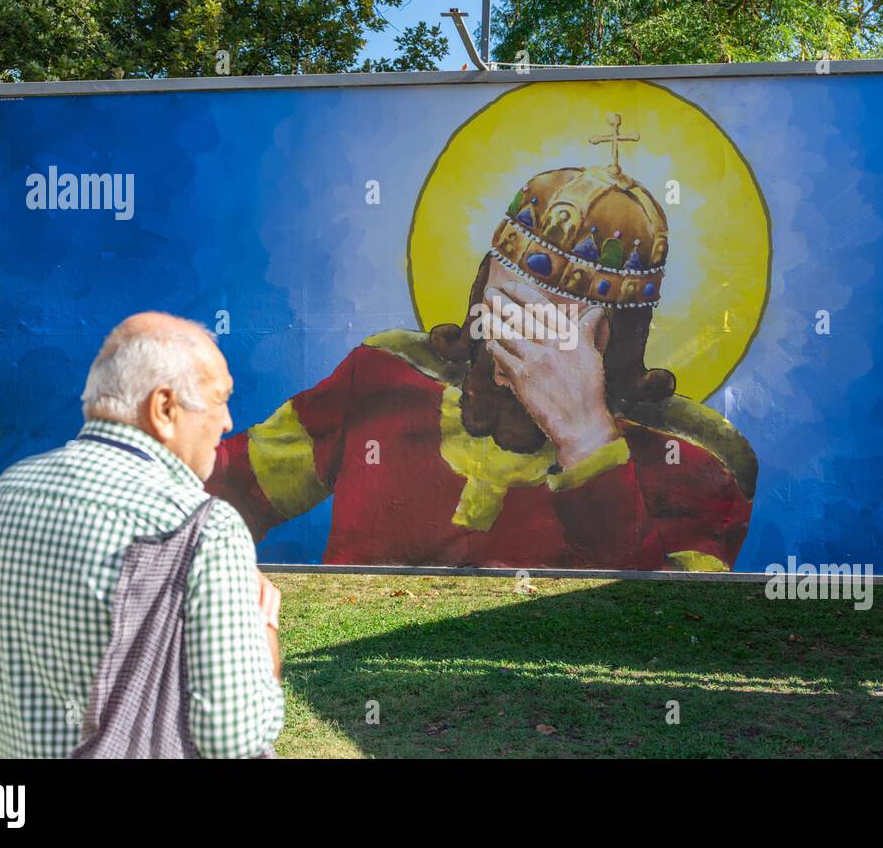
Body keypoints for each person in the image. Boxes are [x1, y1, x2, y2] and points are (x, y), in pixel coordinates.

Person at [206, 120, 759, 571]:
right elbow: (232, 487)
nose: (519, 333)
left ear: (614, 339)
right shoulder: (386, 376)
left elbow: (661, 631)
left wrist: (586, 438)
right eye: (507, 304)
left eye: (558, 318)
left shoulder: (696, 460)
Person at [0, 312, 284, 758]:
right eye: (219, 401)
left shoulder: (9, 490)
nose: (228, 422)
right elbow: (236, 738)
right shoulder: (205, 527)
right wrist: (262, 627)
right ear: (164, 408)